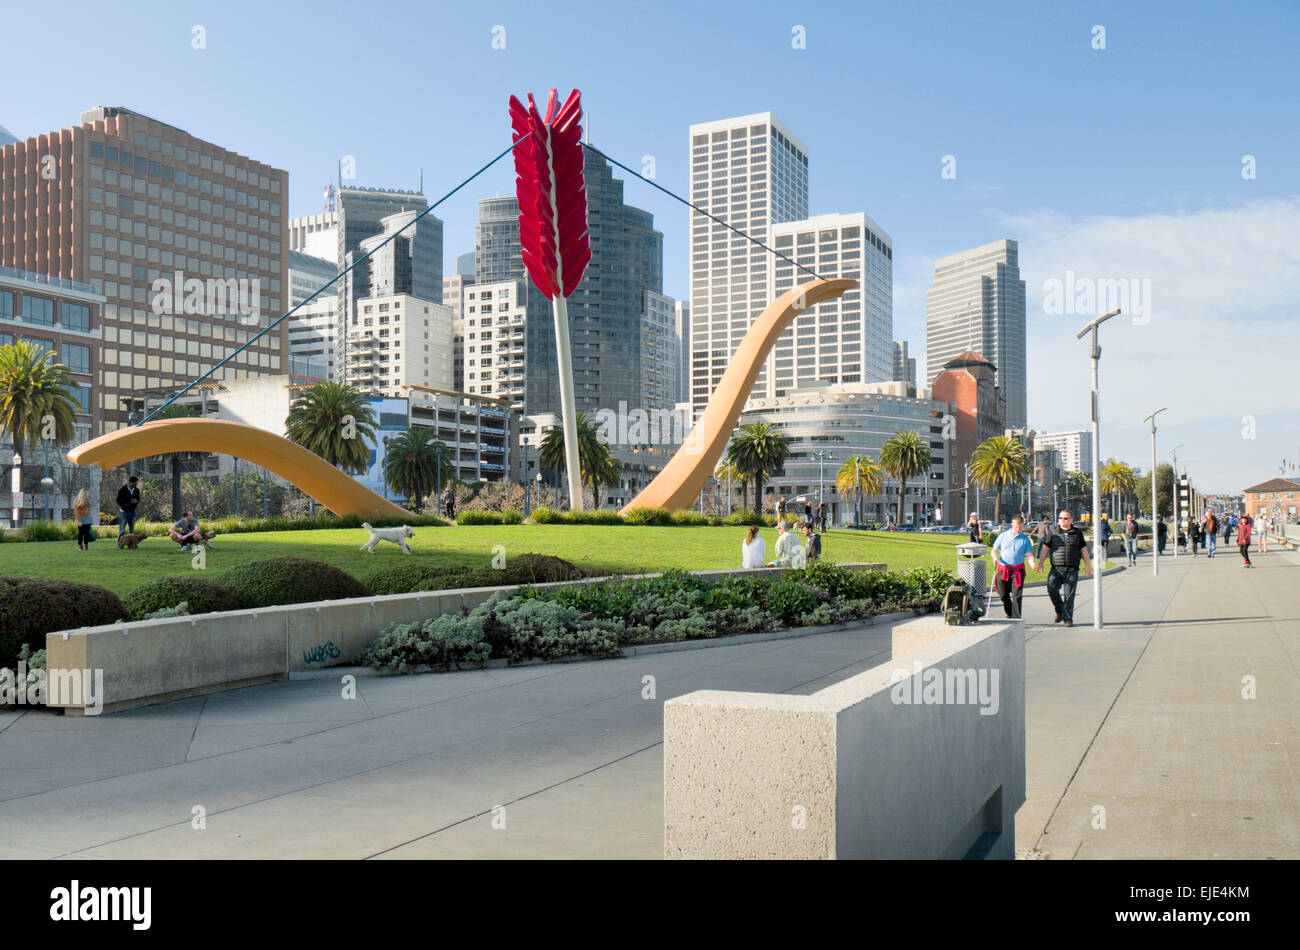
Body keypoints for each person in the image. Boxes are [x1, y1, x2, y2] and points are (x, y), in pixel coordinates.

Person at [1037, 510, 1093, 628]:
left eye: (1066, 518)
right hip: (1056, 568)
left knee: (1069, 596)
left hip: (1072, 569)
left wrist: (1087, 566)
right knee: (1051, 589)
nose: (1063, 520)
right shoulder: (1052, 532)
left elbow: (1083, 550)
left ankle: (1068, 619)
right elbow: (1046, 548)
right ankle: (1059, 609)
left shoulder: (1077, 533)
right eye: (1061, 518)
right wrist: (1041, 562)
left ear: (1071, 520)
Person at [991, 515, 1038, 618]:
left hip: (1017, 570)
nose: (1018, 529)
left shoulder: (1025, 539)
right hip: (1003, 569)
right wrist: (995, 558)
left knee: (1017, 595)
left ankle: (1016, 619)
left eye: (1021, 527)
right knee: (1003, 594)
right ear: (1012, 525)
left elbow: (1029, 555)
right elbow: (994, 550)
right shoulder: (1003, 536)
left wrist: (1032, 564)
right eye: (1017, 527)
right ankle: (1010, 612)